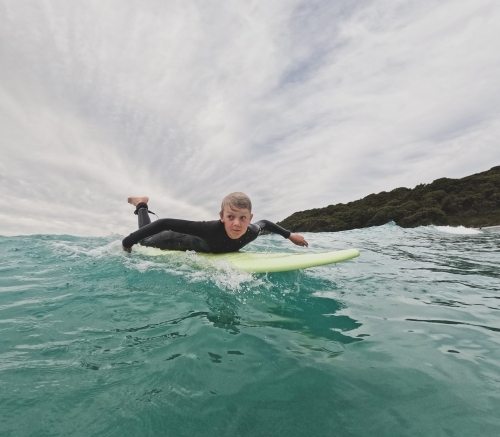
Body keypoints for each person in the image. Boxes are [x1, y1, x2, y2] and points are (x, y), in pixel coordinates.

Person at [122, 192, 308, 253]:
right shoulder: (210, 229)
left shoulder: (251, 231)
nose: (236, 223)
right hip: (170, 240)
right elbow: (165, 223)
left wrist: (290, 235)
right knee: (143, 241)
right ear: (221, 216)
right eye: (230, 217)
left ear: (249, 218)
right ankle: (141, 205)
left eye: (242, 218)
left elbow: (266, 223)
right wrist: (127, 242)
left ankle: (142, 204)